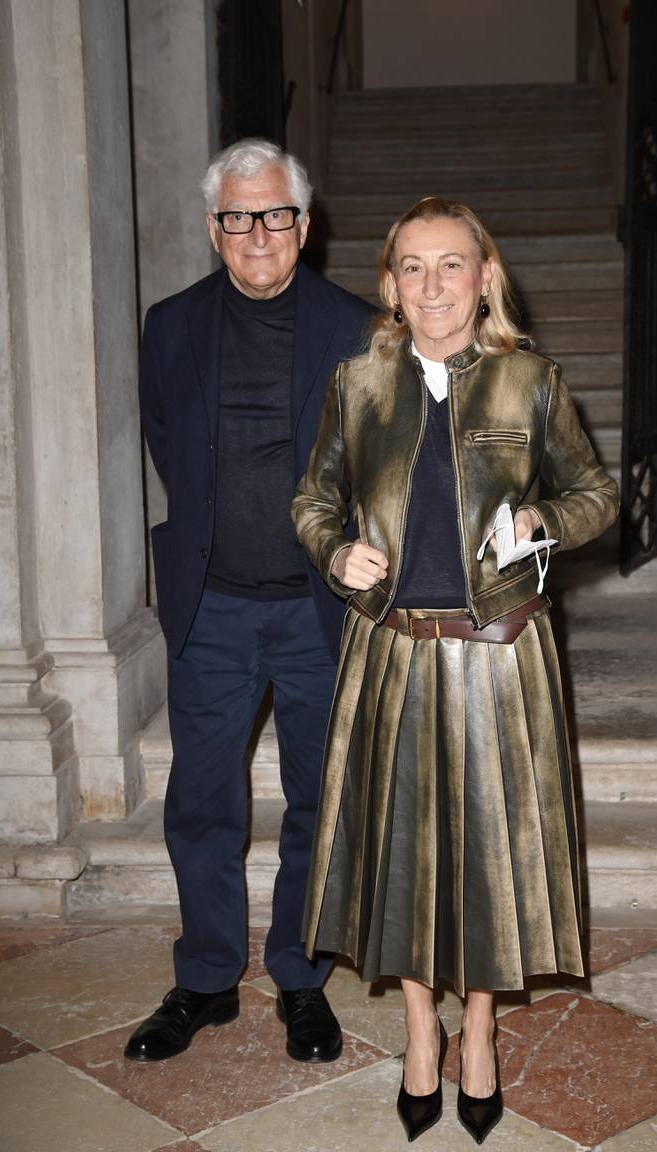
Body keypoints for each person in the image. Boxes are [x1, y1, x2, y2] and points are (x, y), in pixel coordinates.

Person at [292, 197, 619, 1142]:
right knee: (397, 853)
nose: (432, 285)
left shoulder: (531, 382)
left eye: (451, 265)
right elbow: (314, 498)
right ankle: (419, 1030)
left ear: (485, 276)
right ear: (390, 284)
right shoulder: (357, 384)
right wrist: (334, 550)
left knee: (486, 858)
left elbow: (594, 493)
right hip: (392, 652)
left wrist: (540, 522)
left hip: (498, 659)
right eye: (412, 267)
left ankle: (477, 1033)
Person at [126, 139, 375, 1064]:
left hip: (322, 612)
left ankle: (301, 977)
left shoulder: (358, 326)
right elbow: (169, 445)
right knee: (202, 800)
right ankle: (205, 980)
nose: (257, 232)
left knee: (318, 798)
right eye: (238, 216)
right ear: (213, 229)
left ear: (304, 227)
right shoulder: (170, 325)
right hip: (214, 607)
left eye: (275, 214)